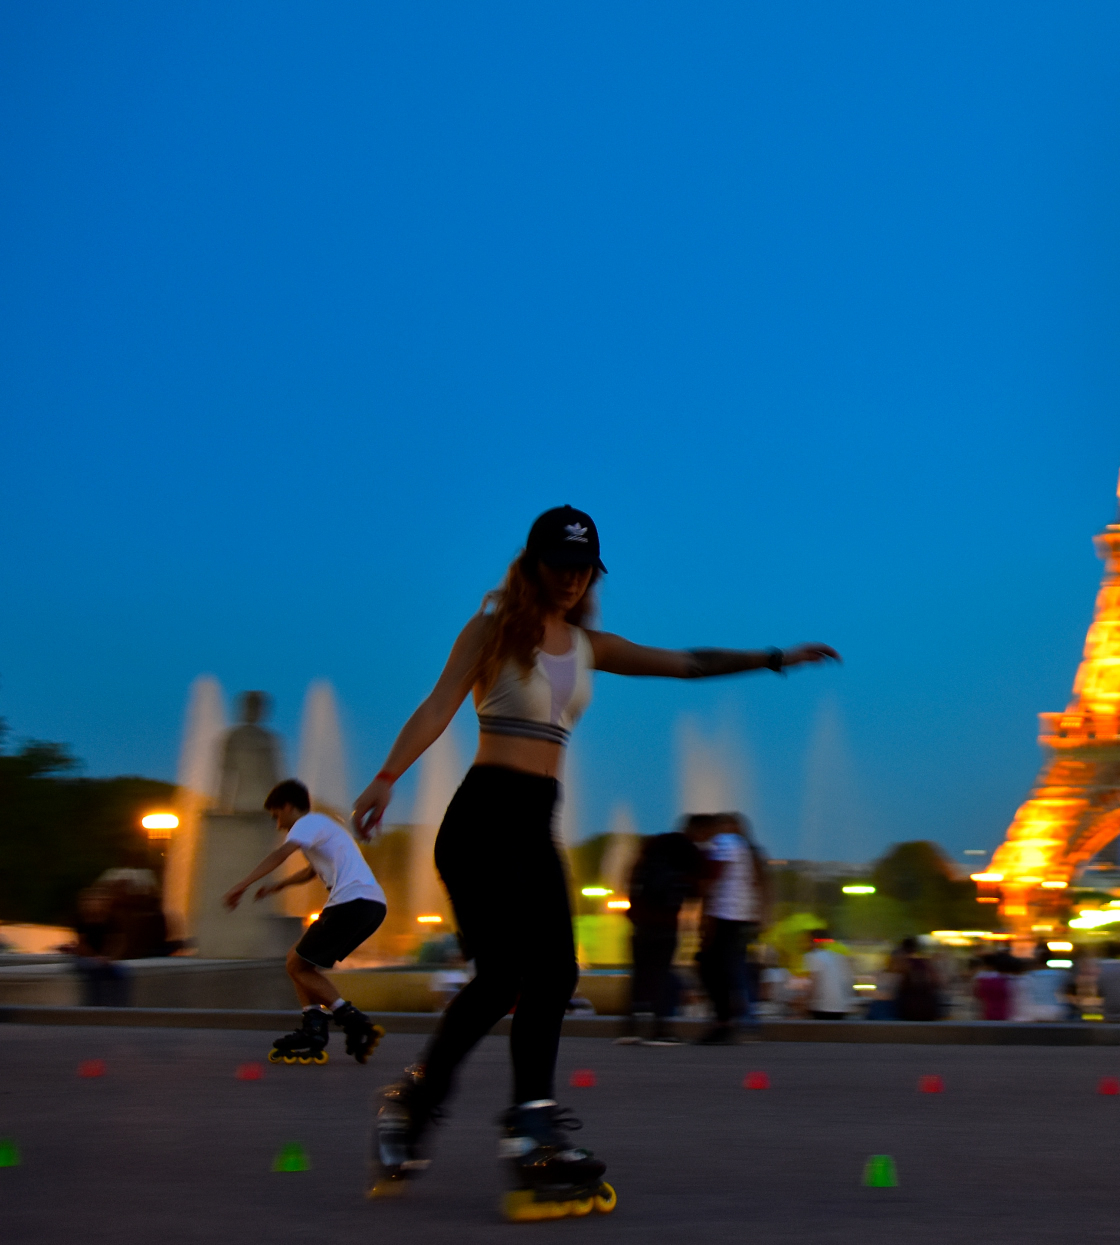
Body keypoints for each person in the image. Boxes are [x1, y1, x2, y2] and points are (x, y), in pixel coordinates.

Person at [349, 505, 837, 1217]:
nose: (573, 580)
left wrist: (772, 658)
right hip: (482, 819)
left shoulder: (588, 645)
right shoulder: (490, 631)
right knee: (502, 977)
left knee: (552, 973)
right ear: (533, 564)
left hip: (535, 825)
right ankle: (418, 1104)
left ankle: (530, 1128)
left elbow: (687, 664)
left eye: (585, 568)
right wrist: (387, 777)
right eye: (561, 565)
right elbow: (437, 706)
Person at [223, 779, 389, 1065]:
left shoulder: (306, 823)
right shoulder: (326, 827)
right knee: (299, 962)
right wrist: (278, 886)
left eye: (277, 816)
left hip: (351, 903)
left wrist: (243, 884)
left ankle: (352, 1022)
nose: (279, 826)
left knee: (296, 965)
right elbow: (311, 871)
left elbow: (280, 854)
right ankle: (315, 1025)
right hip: (372, 906)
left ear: (288, 807)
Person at [617, 815, 713, 1046]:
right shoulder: (692, 852)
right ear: (699, 830)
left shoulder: (656, 843)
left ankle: (630, 1027)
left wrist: (632, 905)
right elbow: (700, 889)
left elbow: (633, 870)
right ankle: (660, 1028)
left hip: (642, 919)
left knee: (639, 973)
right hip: (667, 923)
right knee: (661, 974)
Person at [696, 812, 771, 1045]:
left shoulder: (727, 843)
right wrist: (761, 915)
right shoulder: (750, 851)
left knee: (719, 966)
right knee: (734, 966)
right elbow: (759, 885)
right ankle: (740, 1017)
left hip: (727, 916)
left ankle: (730, 1019)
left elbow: (714, 876)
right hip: (742, 917)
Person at [803, 928, 855, 1020]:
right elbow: (849, 980)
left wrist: (806, 1003)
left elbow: (814, 982)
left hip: (823, 1006)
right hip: (841, 1006)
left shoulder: (814, 956)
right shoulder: (839, 956)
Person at [894, 935, 945, 1021]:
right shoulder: (925, 963)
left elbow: (897, 985)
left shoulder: (902, 964)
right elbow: (937, 981)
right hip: (927, 1006)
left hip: (908, 1007)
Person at [971, 952, 1012, 1021]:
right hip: (1003, 1012)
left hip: (985, 1012)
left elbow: (975, 994)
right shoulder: (1005, 977)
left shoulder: (979, 977)